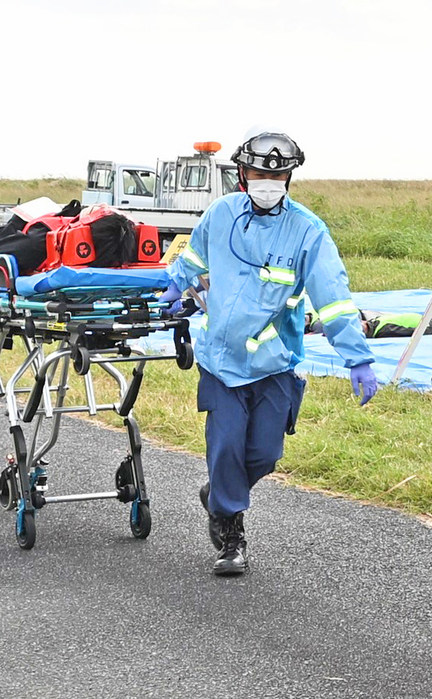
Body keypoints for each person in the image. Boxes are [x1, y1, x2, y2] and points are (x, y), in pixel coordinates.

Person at [164, 126, 377, 577]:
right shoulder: (220, 215)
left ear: (289, 181)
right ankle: (229, 529)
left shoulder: (307, 232)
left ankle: (219, 494)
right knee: (225, 449)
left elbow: (333, 297)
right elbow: (195, 258)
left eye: (277, 176)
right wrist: (176, 282)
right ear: (242, 174)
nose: (267, 182)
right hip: (221, 362)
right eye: (259, 172)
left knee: (264, 454)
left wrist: (356, 357)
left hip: (275, 363)